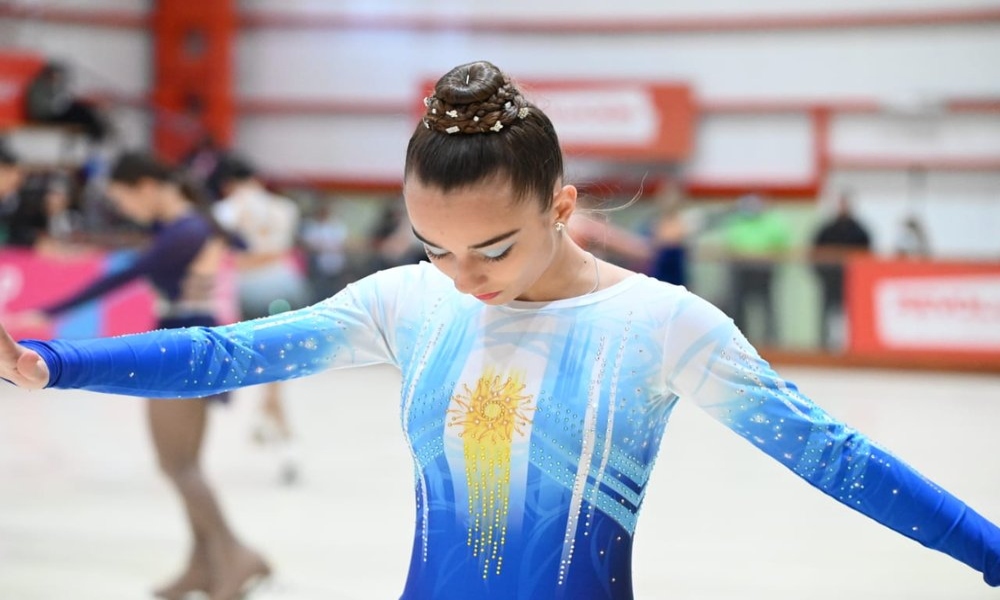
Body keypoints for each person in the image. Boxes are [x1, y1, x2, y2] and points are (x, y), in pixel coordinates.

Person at [2, 61, 998, 600]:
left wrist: (990, 554)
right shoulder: (409, 301)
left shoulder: (658, 325)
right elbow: (227, 353)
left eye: (492, 248)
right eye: (433, 245)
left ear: (562, 207)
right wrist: (52, 364)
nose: (463, 277)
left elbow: (833, 457)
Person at [7, 152, 270, 600]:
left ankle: (234, 555)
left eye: (123, 199)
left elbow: (126, 275)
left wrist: (46, 311)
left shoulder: (187, 229)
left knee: (179, 465)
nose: (124, 209)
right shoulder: (184, 228)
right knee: (179, 464)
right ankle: (202, 564)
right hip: (185, 348)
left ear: (146, 186)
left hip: (182, 354)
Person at [211, 154, 310, 483]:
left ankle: (278, 431)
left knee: (265, 361)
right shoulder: (285, 207)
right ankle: (273, 424)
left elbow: (229, 258)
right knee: (277, 361)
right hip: (286, 289)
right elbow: (282, 249)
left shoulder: (223, 212)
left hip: (249, 293)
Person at [721, 193, 792, 346]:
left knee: (767, 307)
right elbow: (731, 244)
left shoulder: (772, 222)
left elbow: (780, 245)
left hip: (764, 272)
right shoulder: (737, 222)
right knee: (739, 306)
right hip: (742, 271)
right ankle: (738, 340)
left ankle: (771, 340)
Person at [811, 190, 872, 351]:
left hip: (852, 282)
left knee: (852, 315)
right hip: (830, 279)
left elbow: (867, 256)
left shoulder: (860, 231)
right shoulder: (827, 230)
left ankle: (852, 346)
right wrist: (822, 273)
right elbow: (815, 253)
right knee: (826, 313)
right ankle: (823, 345)